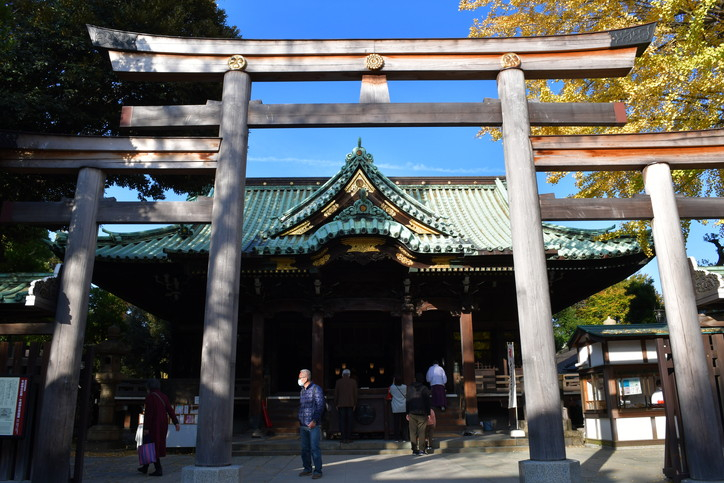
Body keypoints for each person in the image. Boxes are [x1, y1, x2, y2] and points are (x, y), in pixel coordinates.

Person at [138, 379, 180, 477]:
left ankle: (158, 469)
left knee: (151, 444)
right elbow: (170, 410)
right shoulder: (163, 396)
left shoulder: (150, 397)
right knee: (151, 444)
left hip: (153, 424)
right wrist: (176, 422)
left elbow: (149, 414)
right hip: (162, 424)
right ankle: (145, 467)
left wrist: (146, 428)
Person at [298, 369, 325, 479]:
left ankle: (318, 470)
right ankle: (307, 468)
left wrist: (314, 420)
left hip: (313, 424)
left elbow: (320, 406)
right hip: (303, 424)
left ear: (306, 378)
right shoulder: (302, 390)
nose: (299, 379)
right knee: (304, 449)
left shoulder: (316, 389)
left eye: (300, 377)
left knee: (315, 448)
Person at [406, 372, 431, 456]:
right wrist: (428, 413)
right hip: (422, 412)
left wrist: (407, 412)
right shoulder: (425, 389)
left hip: (412, 412)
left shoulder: (409, 388)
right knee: (422, 431)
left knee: (412, 431)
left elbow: (407, 401)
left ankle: (414, 449)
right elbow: (427, 402)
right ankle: (421, 450)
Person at [334, 368, 358, 443]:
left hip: (341, 404)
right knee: (349, 421)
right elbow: (355, 394)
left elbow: (336, 394)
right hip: (350, 404)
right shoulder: (353, 382)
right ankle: (348, 438)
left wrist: (336, 403)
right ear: (349, 375)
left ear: (342, 375)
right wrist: (355, 404)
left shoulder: (338, 382)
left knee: (342, 421)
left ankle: (343, 438)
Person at [388, 375, 408, 442]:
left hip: (396, 407)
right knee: (404, 423)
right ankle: (405, 437)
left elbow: (390, 392)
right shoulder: (405, 387)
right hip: (403, 406)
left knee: (396, 423)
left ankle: (397, 437)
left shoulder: (392, 387)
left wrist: (393, 382)